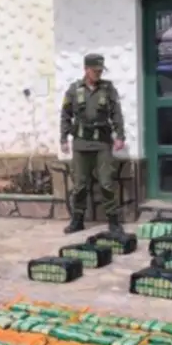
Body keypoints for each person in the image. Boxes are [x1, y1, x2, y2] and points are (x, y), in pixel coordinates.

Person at [59, 53, 125, 234]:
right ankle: (77, 220)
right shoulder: (74, 90)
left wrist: (120, 136)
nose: (98, 73)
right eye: (95, 70)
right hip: (81, 144)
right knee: (79, 185)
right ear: (86, 69)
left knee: (106, 183)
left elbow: (116, 113)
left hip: (102, 143)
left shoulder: (108, 89)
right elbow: (65, 115)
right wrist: (63, 139)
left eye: (100, 71)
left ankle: (113, 220)